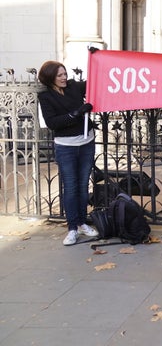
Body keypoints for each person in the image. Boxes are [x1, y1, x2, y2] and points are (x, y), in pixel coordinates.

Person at [38, 61, 99, 246]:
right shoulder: (46, 96)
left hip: (86, 143)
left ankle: (82, 223)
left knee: (82, 185)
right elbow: (52, 122)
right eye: (59, 75)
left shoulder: (74, 87)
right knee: (71, 187)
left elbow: (96, 82)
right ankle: (72, 228)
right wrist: (76, 113)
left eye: (64, 73)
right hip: (66, 147)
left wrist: (97, 59)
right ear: (50, 78)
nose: (64, 77)